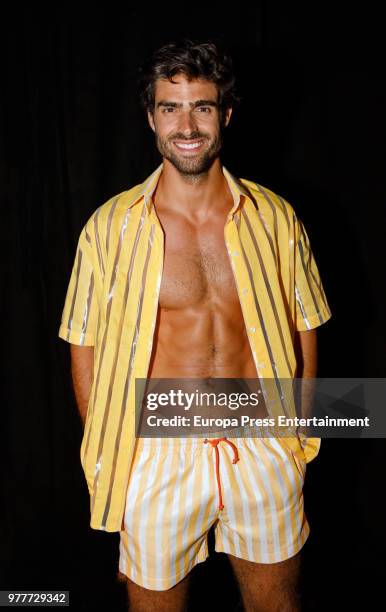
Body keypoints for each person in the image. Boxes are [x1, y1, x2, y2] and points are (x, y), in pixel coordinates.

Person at [58, 39, 332, 611]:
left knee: (279, 604)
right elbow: (81, 345)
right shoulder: (110, 227)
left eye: (202, 107)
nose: (187, 125)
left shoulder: (275, 217)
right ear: (151, 117)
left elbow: (306, 324)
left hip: (260, 439)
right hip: (156, 453)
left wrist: (296, 437)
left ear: (225, 115)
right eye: (170, 107)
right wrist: (115, 457)